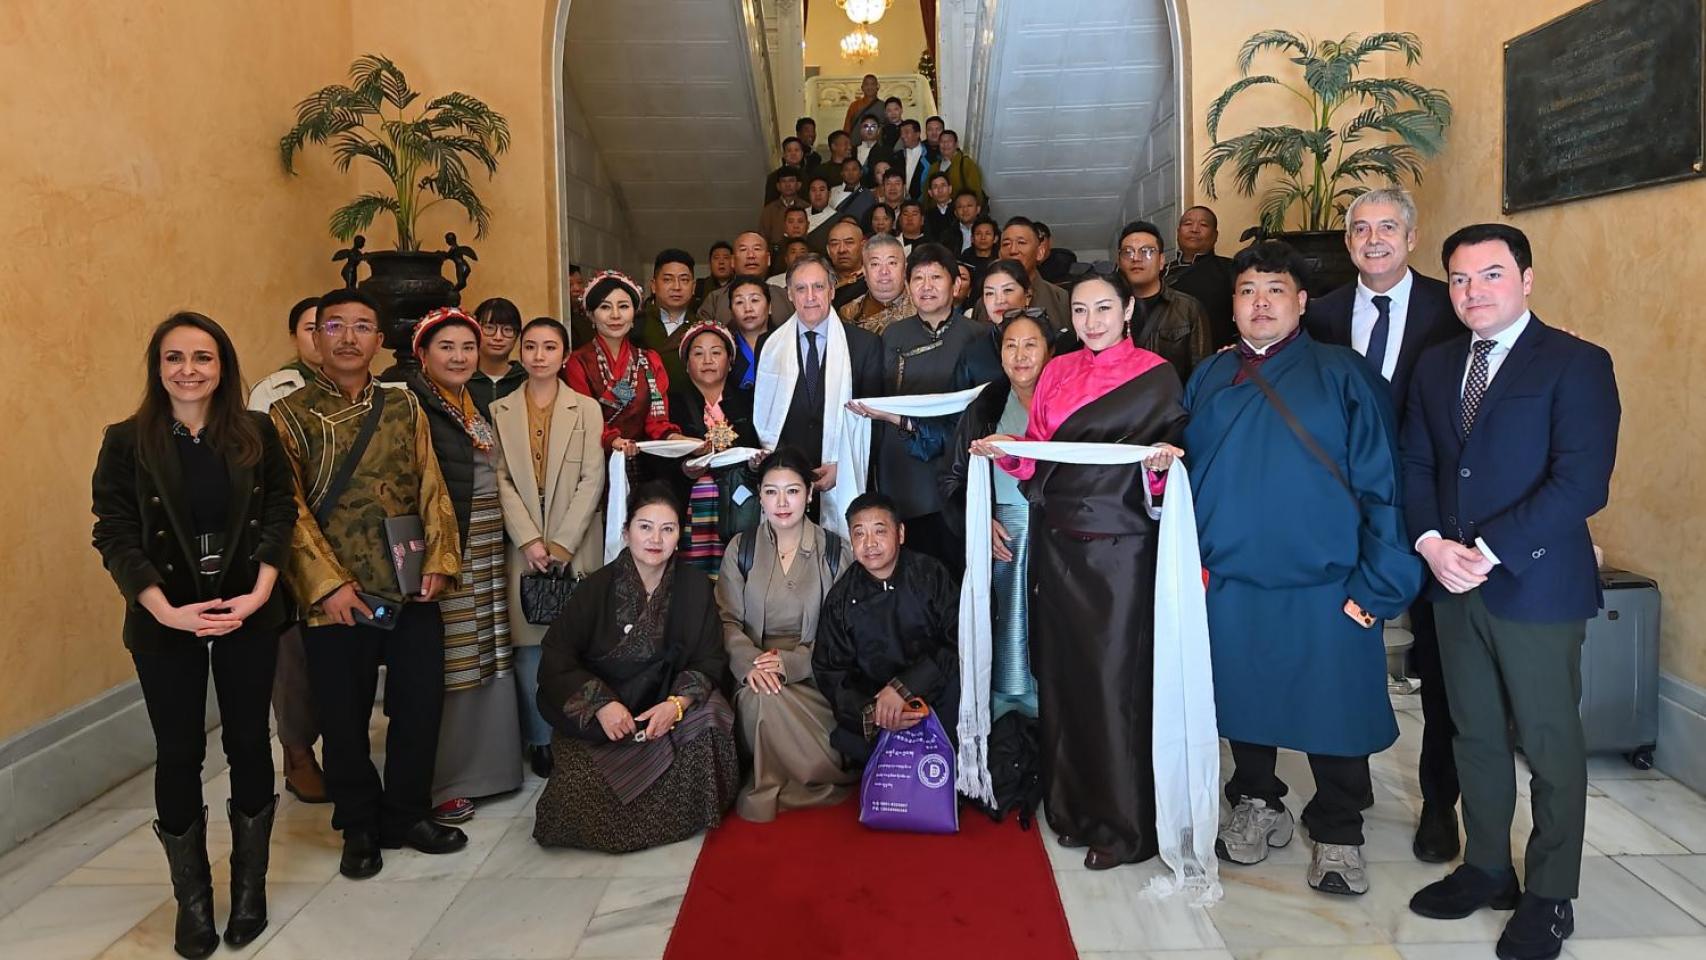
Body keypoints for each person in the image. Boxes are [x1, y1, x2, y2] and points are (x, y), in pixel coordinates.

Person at [1178, 241, 1421, 896]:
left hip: (1330, 585)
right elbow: (1183, 480)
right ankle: (1258, 802)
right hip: (1230, 582)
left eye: (1275, 290)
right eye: (1248, 290)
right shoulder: (1209, 377)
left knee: (1335, 708)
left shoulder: (1343, 375)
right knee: (1243, 702)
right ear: (1232, 306)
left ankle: (1339, 829)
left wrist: (1379, 582)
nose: (1261, 303)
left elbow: (1382, 483)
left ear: (1302, 301)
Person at [1405, 224, 1620, 960]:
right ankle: (1487, 866)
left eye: (1491, 275)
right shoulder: (1436, 367)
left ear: (1526, 280)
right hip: (1452, 585)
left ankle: (1551, 893)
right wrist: (1432, 543)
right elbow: (1419, 465)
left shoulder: (1576, 363)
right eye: (1460, 280)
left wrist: (1487, 550)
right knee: (1474, 735)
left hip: (1535, 585)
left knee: (1550, 743)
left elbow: (1581, 482)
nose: (1474, 292)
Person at [93, 312, 298, 957]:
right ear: (158, 369)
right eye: (175, 358)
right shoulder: (127, 441)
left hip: (246, 607)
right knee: (179, 750)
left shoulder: (256, 432)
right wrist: (162, 609)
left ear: (222, 367)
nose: (189, 370)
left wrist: (263, 590)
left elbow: (279, 512)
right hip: (166, 618)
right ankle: (193, 901)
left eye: (202, 358)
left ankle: (248, 890)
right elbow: (115, 532)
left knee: (246, 742)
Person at [970, 268, 1185, 870]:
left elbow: (1169, 466)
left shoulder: (1156, 376)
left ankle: (1123, 825)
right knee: (1062, 676)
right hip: (1057, 543)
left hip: (1121, 550)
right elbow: (1038, 459)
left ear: (1127, 314)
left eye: (1104, 309)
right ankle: (1070, 808)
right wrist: (1001, 451)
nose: (1092, 321)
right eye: (1083, 310)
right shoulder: (1057, 371)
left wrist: (1164, 465)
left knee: (1114, 681)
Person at [269, 288, 466, 880]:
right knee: (343, 715)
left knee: (419, 703)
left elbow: (431, 485)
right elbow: (289, 509)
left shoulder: (404, 406)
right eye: (336, 326)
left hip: (409, 585)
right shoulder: (288, 415)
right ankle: (358, 823)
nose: (350, 337)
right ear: (316, 337)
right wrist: (326, 586)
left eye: (363, 327)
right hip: (336, 597)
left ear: (381, 342)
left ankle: (406, 812)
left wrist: (439, 561)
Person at [1303, 186, 1464, 863]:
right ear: (1347, 243)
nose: (1374, 240)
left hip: (1435, 511)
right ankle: (1346, 788)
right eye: (1361, 229)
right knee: (1345, 651)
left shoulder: (1451, 307)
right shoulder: (1322, 315)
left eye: (1388, 227)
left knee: (1443, 665)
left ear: (1412, 236)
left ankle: (1438, 803)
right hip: (1348, 518)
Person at [532, 483, 739, 853]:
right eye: (645, 527)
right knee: (574, 796)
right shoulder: (597, 587)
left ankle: (684, 809)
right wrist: (602, 705)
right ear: (626, 532)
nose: (655, 539)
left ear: (680, 536)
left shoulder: (694, 586)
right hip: (609, 721)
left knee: (713, 716)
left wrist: (677, 705)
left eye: (668, 529)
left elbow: (709, 659)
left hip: (662, 711)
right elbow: (557, 659)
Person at [405, 308, 525, 824]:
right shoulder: (412, 404)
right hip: (448, 545)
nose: (459, 356)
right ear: (424, 354)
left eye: (467, 348)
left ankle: (491, 769)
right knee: (456, 657)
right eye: (447, 347)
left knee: (489, 646)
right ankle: (446, 779)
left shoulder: (468, 401)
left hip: (486, 540)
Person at [492, 317, 606, 781]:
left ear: (564, 355)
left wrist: (560, 542)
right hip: (524, 545)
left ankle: (578, 730)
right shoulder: (498, 411)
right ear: (520, 353)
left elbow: (592, 477)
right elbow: (499, 479)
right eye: (531, 347)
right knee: (528, 647)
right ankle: (540, 739)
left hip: (573, 542)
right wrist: (530, 540)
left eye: (550, 347)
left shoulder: (587, 408)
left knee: (579, 642)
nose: (539, 355)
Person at [716, 448, 858, 820]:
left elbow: (844, 632)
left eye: (792, 491)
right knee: (759, 697)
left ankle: (816, 773)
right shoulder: (740, 549)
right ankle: (776, 779)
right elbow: (727, 620)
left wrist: (790, 663)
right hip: (754, 669)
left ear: (810, 495)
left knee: (773, 697)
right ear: (759, 496)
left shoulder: (834, 550)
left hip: (815, 672)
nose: (782, 503)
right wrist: (750, 664)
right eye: (771, 491)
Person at [939, 309, 1058, 717]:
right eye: (1010, 345)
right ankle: (1005, 714)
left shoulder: (1067, 401)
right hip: (1002, 530)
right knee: (1004, 619)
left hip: (1058, 533)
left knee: (1050, 624)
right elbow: (951, 479)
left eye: (1030, 345)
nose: (1020, 355)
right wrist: (977, 522)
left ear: (1050, 350)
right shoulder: (986, 405)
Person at [849, 243, 983, 573]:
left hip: (958, 462)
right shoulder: (894, 335)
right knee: (913, 569)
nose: (926, 286)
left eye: (936, 277)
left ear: (955, 285)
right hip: (903, 468)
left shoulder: (978, 336)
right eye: (918, 278)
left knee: (958, 567)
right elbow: (879, 399)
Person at [245, 296, 329, 806]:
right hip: (295, 540)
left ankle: (345, 749)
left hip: (354, 544)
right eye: (311, 326)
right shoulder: (274, 392)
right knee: (293, 656)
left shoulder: (378, 391)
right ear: (295, 335)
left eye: (335, 325)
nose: (324, 335)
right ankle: (298, 755)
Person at [812, 493, 960, 767]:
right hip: (878, 706)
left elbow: (958, 642)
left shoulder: (931, 575)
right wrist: (873, 712)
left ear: (900, 533)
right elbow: (830, 671)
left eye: (880, 531)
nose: (870, 544)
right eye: (860, 534)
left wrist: (904, 688)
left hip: (935, 692)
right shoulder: (841, 598)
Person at [753, 255, 884, 526]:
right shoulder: (768, 345)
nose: (810, 296)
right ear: (789, 294)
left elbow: (874, 423)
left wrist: (842, 466)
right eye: (801, 289)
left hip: (840, 476)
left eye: (819, 287)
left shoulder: (865, 345)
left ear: (833, 290)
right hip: (786, 482)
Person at [563, 270, 689, 486]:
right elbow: (582, 419)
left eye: (623, 306)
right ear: (591, 315)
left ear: (633, 314)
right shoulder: (578, 362)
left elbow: (657, 421)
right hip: (592, 468)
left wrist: (681, 441)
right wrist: (613, 440)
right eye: (605, 307)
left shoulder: (650, 361)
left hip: (642, 466)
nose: (615, 315)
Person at [669, 321, 762, 576]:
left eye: (716, 352)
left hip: (738, 506)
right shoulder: (673, 403)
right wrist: (685, 468)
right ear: (687, 364)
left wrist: (756, 465)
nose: (707, 360)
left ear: (730, 362)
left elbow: (760, 447)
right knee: (692, 579)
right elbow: (662, 460)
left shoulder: (749, 401)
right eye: (698, 353)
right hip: (691, 508)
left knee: (737, 573)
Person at [1117, 220, 1212, 381]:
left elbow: (1201, 373)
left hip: (1170, 403)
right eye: (1128, 252)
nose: (1136, 258)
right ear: (1119, 261)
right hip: (1121, 403)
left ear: (1161, 261)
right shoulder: (1107, 308)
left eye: (1147, 251)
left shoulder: (1188, 308)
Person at [953, 259, 1035, 389]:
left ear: (1028, 295)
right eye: (990, 293)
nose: (999, 300)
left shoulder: (1051, 342)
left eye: (1007, 290)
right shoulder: (972, 350)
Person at [1164, 205, 1236, 349]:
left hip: (1214, 353)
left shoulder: (1230, 269)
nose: (1194, 229)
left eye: (1203, 225)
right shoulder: (1161, 271)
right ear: (1178, 232)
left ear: (1215, 235)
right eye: (1187, 224)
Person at [698, 231, 793, 329]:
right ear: (733, 261)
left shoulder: (786, 296)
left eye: (757, 249)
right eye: (743, 250)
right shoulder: (715, 299)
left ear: (768, 259)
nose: (751, 255)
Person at [996, 217, 1071, 339]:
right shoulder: (986, 301)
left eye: (1021, 243)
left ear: (1039, 252)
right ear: (999, 255)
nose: (1013, 250)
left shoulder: (1060, 298)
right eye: (1006, 244)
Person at [247, 296, 322, 413]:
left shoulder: (356, 387)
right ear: (294, 338)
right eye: (310, 328)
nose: (319, 337)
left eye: (331, 328)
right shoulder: (269, 390)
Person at [635, 249, 698, 387]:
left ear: (693, 287)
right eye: (668, 279)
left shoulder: (701, 328)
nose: (676, 287)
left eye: (684, 280)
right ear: (653, 286)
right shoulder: (634, 325)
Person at [841, 233, 913, 335]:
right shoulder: (848, 313)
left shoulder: (923, 308)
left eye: (892, 263)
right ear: (864, 271)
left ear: (905, 268)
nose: (884, 271)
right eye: (875, 264)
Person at [466, 297, 525, 417]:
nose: (498, 337)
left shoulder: (527, 381)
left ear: (517, 335)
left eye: (507, 330)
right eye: (489, 328)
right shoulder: (462, 380)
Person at [726, 274, 772, 393]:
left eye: (755, 300)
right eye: (739, 302)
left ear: (769, 307)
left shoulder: (787, 343)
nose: (748, 308)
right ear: (731, 312)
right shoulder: (725, 348)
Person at [825, 217, 868, 314]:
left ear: (863, 246)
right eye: (835, 244)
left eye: (849, 242)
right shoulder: (821, 284)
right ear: (828, 250)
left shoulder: (874, 281)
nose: (842, 250)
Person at [760, 166, 807, 247]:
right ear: (778, 186)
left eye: (791, 181)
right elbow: (762, 239)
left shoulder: (807, 207)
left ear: (798, 185)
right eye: (783, 181)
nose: (788, 185)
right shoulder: (769, 210)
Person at [935, 129, 986, 204]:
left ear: (956, 144)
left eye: (949, 141)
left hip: (961, 211)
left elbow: (976, 191)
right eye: (942, 142)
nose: (945, 144)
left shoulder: (966, 164)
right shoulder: (935, 166)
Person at [764, 137, 810, 204]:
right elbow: (769, 204)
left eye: (796, 150)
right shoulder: (774, 177)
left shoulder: (809, 175)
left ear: (802, 154)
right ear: (784, 155)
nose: (793, 153)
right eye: (789, 151)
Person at [893, 119, 931, 199]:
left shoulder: (929, 156)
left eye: (906, 132)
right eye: (901, 133)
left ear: (917, 134)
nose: (903, 136)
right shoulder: (897, 157)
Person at [694, 240, 735, 307]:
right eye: (716, 258)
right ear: (710, 264)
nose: (721, 262)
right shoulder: (699, 286)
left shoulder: (740, 286)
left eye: (726, 258)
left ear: (733, 262)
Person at [941, 188, 982, 254]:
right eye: (960, 207)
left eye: (969, 205)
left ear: (978, 209)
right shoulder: (948, 235)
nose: (965, 210)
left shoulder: (989, 231)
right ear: (955, 213)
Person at [568, 264, 595, 347]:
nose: (577, 288)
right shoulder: (562, 315)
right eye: (570, 284)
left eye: (580, 283)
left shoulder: (590, 313)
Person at [923, 171, 956, 240]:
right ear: (930, 193)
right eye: (935, 187)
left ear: (950, 189)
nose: (940, 190)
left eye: (943, 185)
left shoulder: (959, 210)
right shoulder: (927, 215)